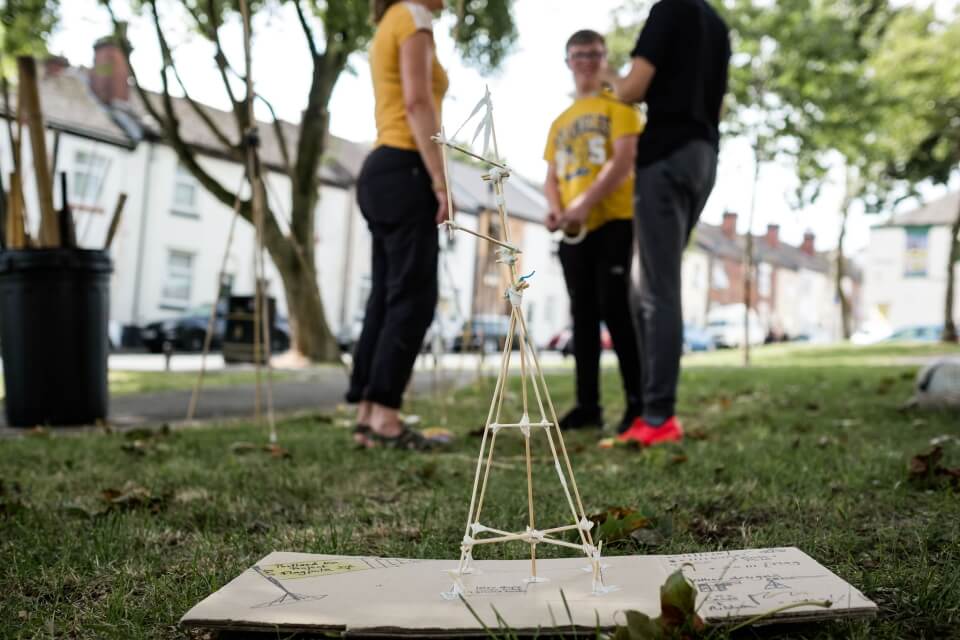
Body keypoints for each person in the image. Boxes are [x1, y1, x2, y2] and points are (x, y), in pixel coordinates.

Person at [602, 0, 731, 446]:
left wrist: (609, 80)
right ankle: (649, 409)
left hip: (666, 155)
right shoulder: (717, 23)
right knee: (645, 287)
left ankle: (658, 417)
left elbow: (633, 88)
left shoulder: (668, 10)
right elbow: (718, 104)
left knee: (657, 289)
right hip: (704, 156)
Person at [347, 0, 451, 449]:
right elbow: (416, 100)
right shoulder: (414, 16)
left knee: (387, 297)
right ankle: (387, 417)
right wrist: (441, 180)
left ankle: (367, 415)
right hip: (405, 167)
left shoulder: (390, 20)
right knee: (413, 296)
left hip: (381, 169)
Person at [543, 30, 645, 433]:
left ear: (604, 59)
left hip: (613, 221)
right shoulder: (560, 121)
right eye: (578, 54)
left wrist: (583, 205)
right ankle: (588, 406)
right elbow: (550, 177)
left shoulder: (620, 104)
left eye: (594, 53)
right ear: (567, 61)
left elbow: (623, 160)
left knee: (616, 309)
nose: (586, 60)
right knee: (581, 316)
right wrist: (557, 211)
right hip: (573, 231)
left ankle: (637, 403)